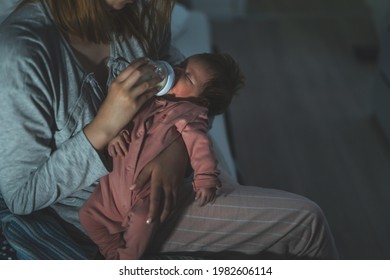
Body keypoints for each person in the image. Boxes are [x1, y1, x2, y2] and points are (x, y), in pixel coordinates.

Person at [0, 0, 338, 260]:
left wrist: (177, 154)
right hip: (117, 204)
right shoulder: (23, 55)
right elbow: (20, 197)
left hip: (172, 150)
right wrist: (102, 129)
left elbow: (198, 97)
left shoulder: (138, 12)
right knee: (307, 220)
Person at [79, 52, 243, 259]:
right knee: (87, 216)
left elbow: (200, 145)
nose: (178, 71)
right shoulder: (151, 96)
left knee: (144, 220)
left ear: (200, 101)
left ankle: (127, 259)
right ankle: (111, 251)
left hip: (145, 192)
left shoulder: (189, 114)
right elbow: (123, 117)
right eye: (182, 65)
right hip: (112, 189)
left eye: (188, 77)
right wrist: (116, 135)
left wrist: (206, 177)